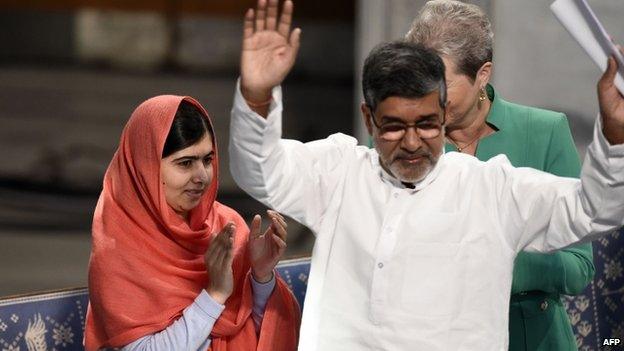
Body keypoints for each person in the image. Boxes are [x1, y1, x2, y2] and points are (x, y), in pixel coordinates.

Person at [228, 1, 624, 350]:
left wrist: (615, 135)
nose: (413, 143)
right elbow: (259, 171)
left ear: (443, 109)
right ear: (370, 118)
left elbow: (594, 211)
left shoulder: (490, 187)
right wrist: (256, 97)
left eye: (429, 125)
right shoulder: (341, 172)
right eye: (396, 126)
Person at [404, 1, 594, 350]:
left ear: (482, 75)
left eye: (440, 83)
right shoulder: (399, 140)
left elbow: (580, 266)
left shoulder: (545, 132)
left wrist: (499, 262)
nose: (426, 98)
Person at [84, 96, 300, 350]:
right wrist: (215, 295)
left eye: (207, 160)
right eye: (186, 163)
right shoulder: (118, 251)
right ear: (146, 166)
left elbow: (264, 333)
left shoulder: (226, 227)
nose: (202, 176)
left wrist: (261, 277)